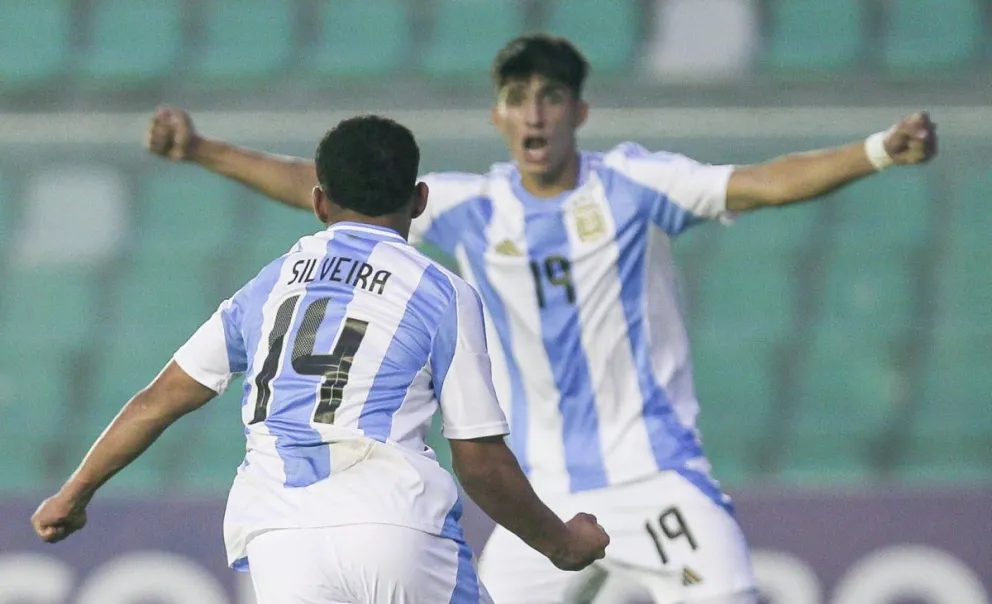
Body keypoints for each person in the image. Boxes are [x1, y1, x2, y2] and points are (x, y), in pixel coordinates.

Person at [144, 34, 937, 604]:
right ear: (497, 116)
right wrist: (204, 149)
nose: (535, 114)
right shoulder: (472, 206)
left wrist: (876, 151)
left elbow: (763, 182)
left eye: (550, 97)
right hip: (542, 493)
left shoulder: (633, 186)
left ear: (577, 110)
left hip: (654, 474)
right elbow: (324, 186)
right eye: (518, 98)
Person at [33, 115, 610, 603]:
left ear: (318, 201)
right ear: (419, 199)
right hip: (394, 524)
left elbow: (158, 401)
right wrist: (561, 543)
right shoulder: (440, 292)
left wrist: (73, 494)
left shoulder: (272, 283)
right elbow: (479, 459)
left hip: (281, 538)